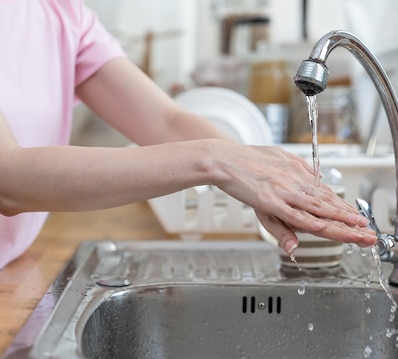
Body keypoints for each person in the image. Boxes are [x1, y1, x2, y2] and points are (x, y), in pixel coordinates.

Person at [0, 0, 377, 270]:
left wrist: (256, 172)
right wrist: (218, 161)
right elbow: (9, 178)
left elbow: (166, 123)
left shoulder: (61, 13)